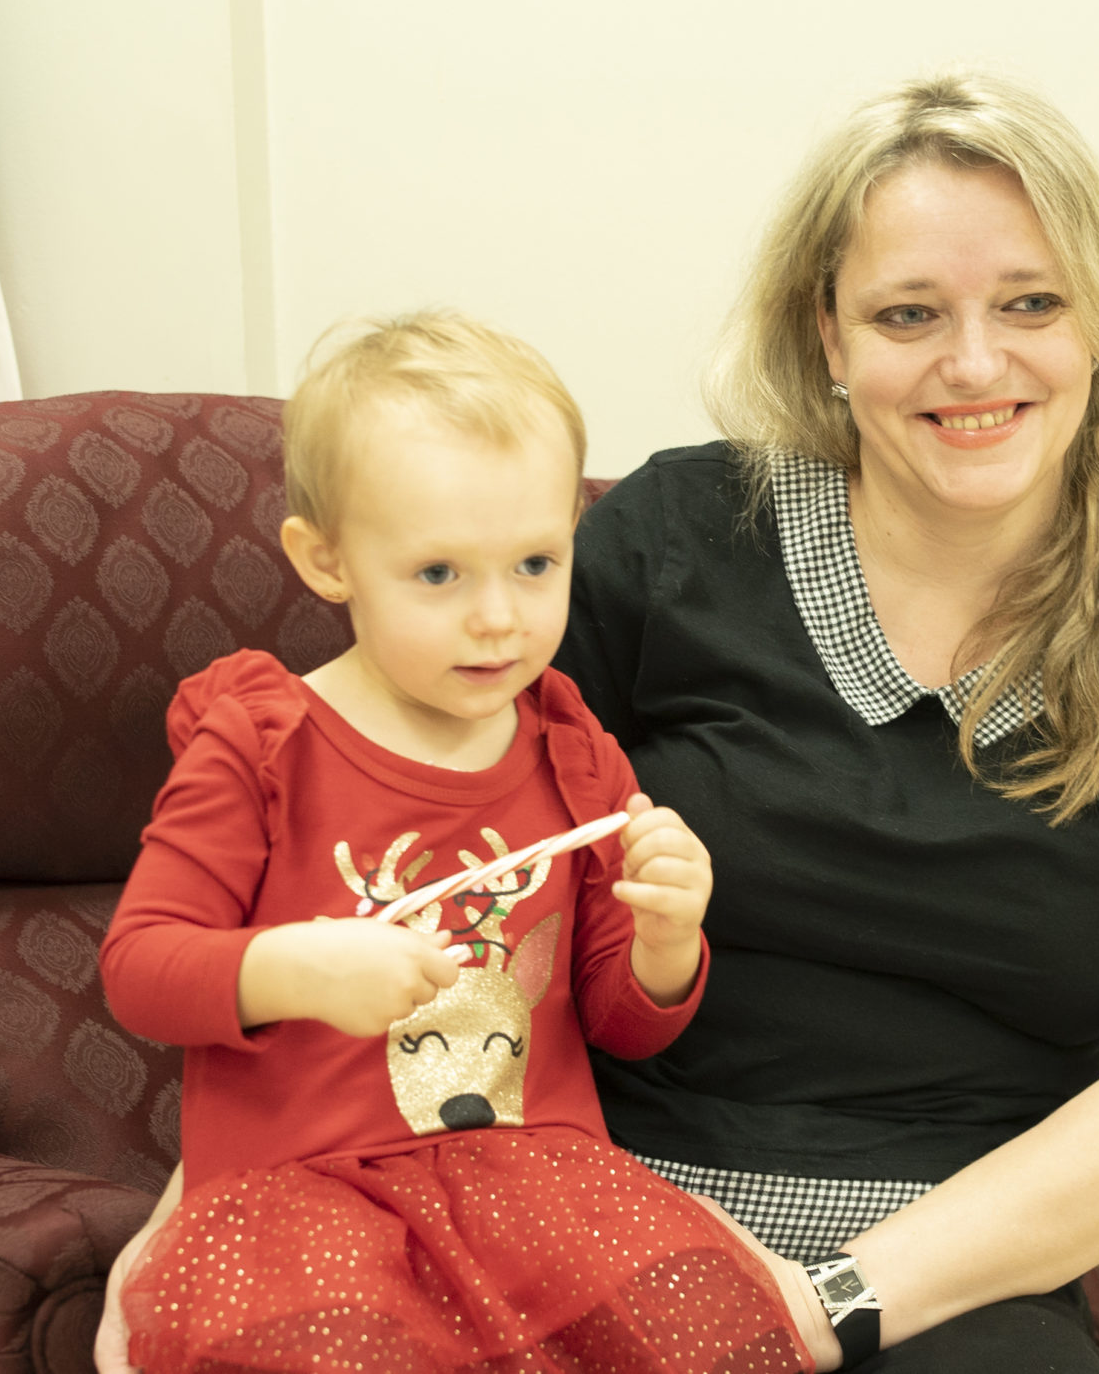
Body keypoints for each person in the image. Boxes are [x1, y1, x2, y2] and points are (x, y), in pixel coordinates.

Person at [548, 71, 1099, 1369]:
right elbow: (446, 861)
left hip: (956, 1279)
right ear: (830, 338)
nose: (976, 362)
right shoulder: (673, 542)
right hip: (616, 1222)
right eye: (909, 313)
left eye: (1032, 303)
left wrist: (818, 1305)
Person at [94, 314, 808, 1373]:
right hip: (306, 1203)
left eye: (535, 563)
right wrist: (296, 967)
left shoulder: (574, 752)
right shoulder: (261, 742)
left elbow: (619, 1023)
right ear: (327, 560)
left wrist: (667, 941)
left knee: (710, 1333)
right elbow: (140, 968)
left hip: (539, 1194)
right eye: (439, 573)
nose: (498, 617)